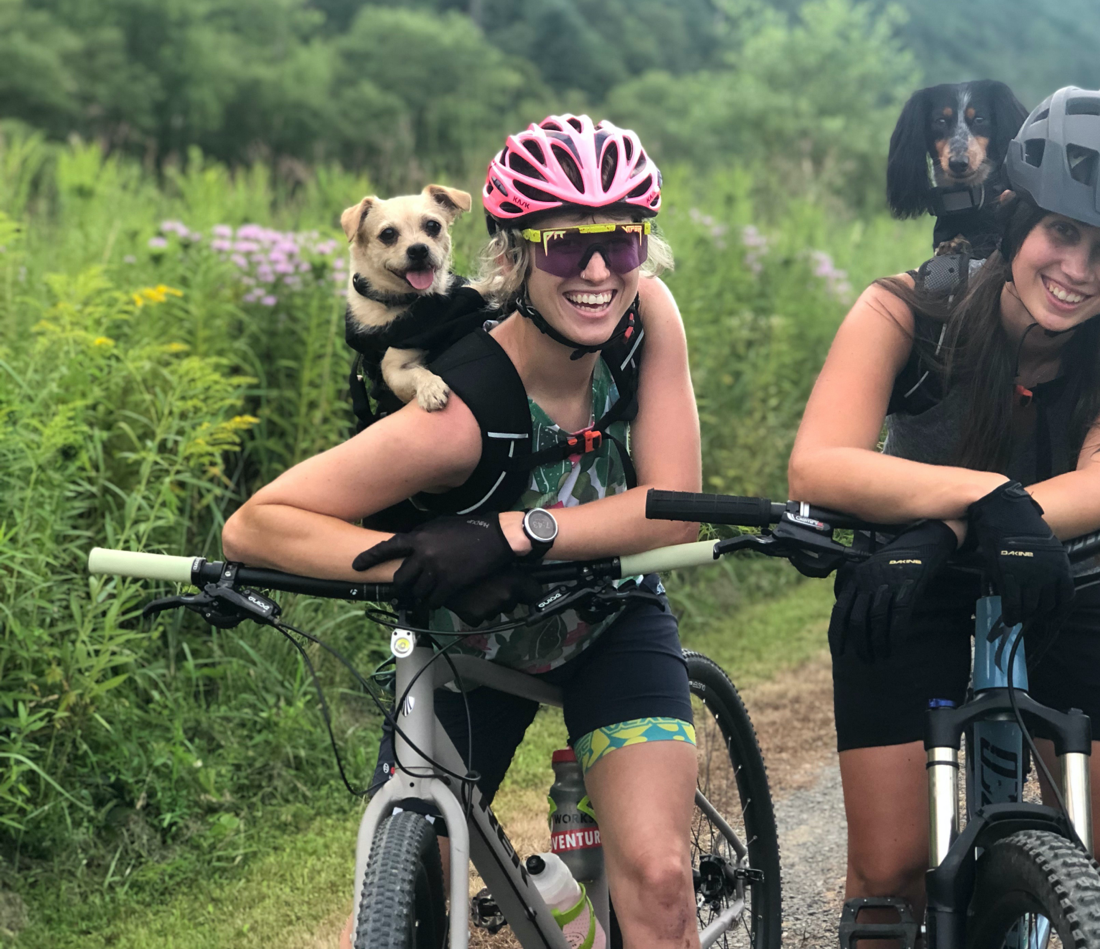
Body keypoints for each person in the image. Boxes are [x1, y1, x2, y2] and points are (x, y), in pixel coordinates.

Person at [222, 114, 704, 948]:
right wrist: (414, 565)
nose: (596, 269)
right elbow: (257, 523)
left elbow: (672, 505)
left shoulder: (646, 315)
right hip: (472, 645)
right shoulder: (460, 408)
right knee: (409, 899)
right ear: (513, 254)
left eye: (621, 241)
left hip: (612, 613)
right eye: (562, 243)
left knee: (660, 879)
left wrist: (515, 533)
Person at [787, 86, 1100, 932]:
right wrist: (978, 499)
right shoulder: (905, 309)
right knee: (891, 871)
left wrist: (956, 519)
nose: (1078, 271)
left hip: (1064, 565)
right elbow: (818, 462)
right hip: (903, 573)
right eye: (1061, 234)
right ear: (1016, 222)